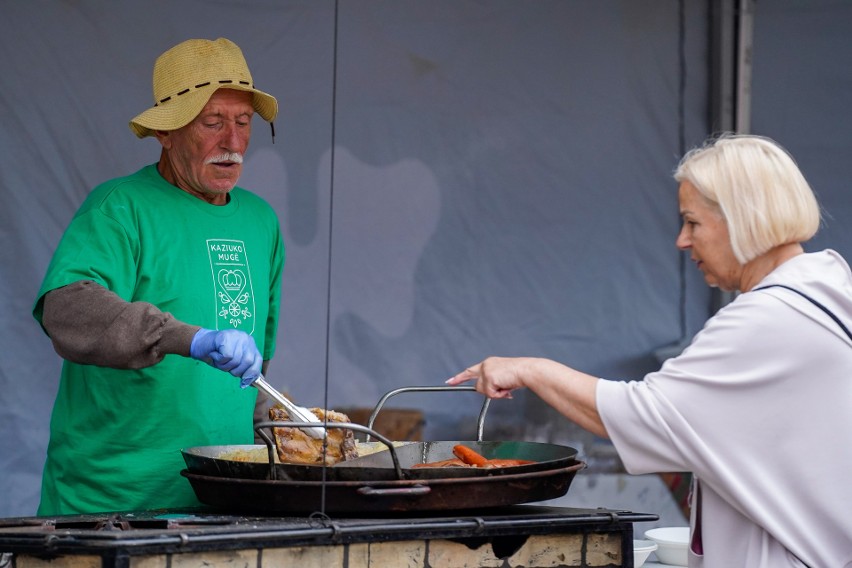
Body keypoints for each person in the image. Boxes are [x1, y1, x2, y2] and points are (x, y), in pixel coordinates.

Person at [448, 134, 852, 567]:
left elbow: (643, 415)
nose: (681, 240)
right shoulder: (826, 286)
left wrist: (531, 369)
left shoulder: (770, 318)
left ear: (741, 219)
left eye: (692, 222)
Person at [32, 38, 285, 515]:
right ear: (165, 134)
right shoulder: (119, 208)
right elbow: (65, 308)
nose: (232, 142)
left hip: (220, 502)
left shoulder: (261, 221)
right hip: (110, 507)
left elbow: (251, 376)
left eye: (244, 122)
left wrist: (285, 428)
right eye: (212, 123)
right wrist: (189, 338)